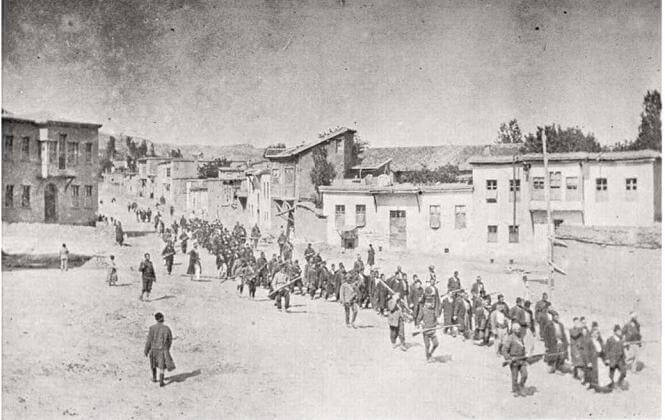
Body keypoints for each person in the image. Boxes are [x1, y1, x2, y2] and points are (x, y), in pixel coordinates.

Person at [144, 312, 175, 387]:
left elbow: (149, 340)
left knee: (153, 364)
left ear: (156, 319)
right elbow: (170, 340)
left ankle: (154, 378)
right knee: (161, 366)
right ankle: (161, 381)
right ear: (163, 318)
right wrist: (167, 348)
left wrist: (146, 350)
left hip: (154, 349)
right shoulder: (167, 328)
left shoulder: (152, 328)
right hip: (162, 350)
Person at [502, 321, 528, 397]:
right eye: (517, 329)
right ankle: (515, 390)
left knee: (525, 374)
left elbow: (523, 347)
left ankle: (521, 386)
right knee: (515, 377)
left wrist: (525, 354)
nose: (519, 330)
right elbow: (504, 350)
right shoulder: (510, 338)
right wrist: (509, 358)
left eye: (519, 329)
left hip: (521, 359)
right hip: (514, 360)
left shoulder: (520, 337)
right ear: (514, 330)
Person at [416, 295, 439, 361]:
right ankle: (427, 357)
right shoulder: (423, 310)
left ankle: (430, 353)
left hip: (432, 330)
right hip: (425, 330)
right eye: (429, 303)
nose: (431, 304)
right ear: (426, 303)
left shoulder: (433, 311)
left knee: (436, 343)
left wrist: (437, 324)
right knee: (427, 345)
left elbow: (435, 320)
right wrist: (419, 324)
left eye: (432, 303)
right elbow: (418, 319)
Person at [604, 324, 627, 389]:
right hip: (612, 359)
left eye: (620, 331)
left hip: (620, 359)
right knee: (611, 374)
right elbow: (606, 350)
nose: (620, 332)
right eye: (618, 331)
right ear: (615, 332)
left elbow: (622, 350)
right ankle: (611, 386)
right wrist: (607, 359)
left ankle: (619, 383)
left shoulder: (621, 340)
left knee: (623, 372)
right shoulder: (610, 339)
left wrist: (624, 358)